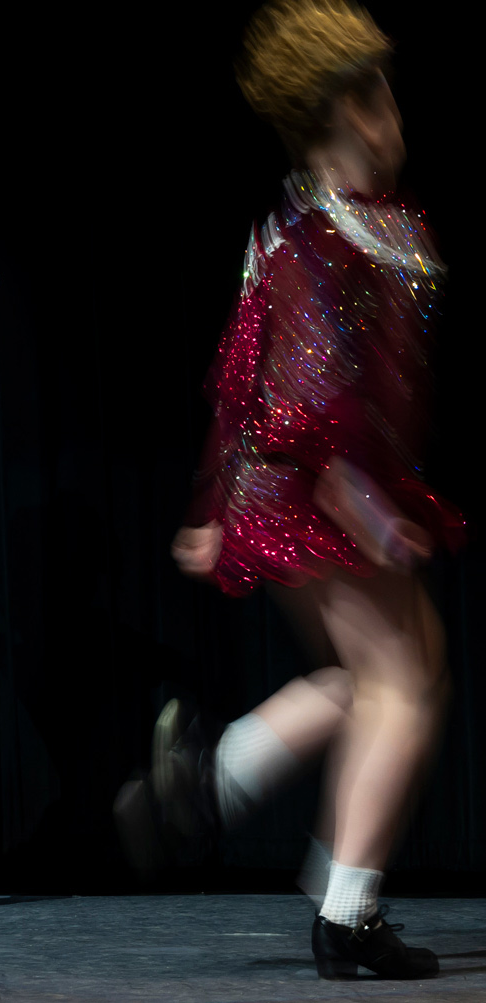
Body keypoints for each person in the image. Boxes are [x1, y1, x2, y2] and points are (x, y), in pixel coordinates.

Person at [141, 0, 464, 981]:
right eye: (382, 94)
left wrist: (207, 504)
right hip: (318, 487)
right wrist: (354, 495)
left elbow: (236, 370)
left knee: (382, 677)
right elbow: (298, 385)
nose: (395, 113)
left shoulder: (314, 222)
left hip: (294, 486)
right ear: (355, 108)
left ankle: (224, 777)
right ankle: (344, 906)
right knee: (402, 685)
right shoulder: (326, 235)